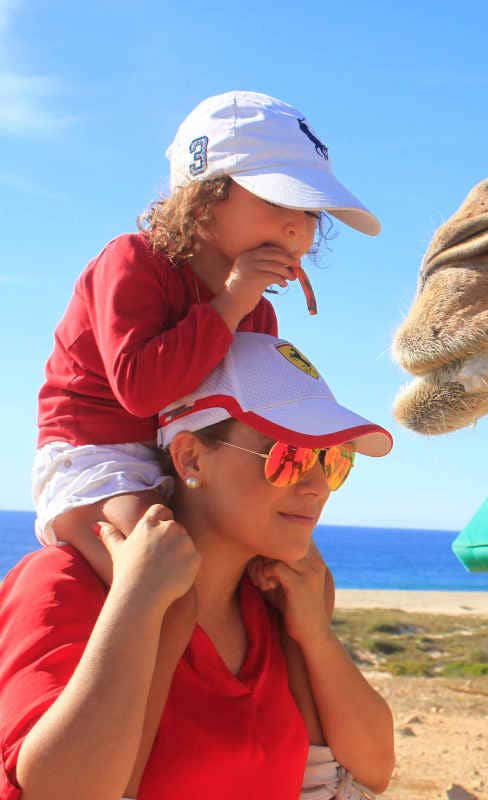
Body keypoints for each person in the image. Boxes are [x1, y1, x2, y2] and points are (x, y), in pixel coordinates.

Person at [0, 333, 396, 800]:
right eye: (288, 457)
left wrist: (315, 635)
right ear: (190, 457)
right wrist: (138, 605)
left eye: (333, 461)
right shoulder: (64, 584)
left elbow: (372, 772)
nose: (316, 487)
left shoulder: (272, 603)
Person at [34, 89, 380, 583]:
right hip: (96, 455)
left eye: (310, 211)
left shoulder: (257, 315)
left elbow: (242, 423)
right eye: (280, 198)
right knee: (163, 579)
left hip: (183, 462)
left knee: (300, 577)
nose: (296, 225)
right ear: (203, 202)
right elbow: (140, 391)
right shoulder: (133, 261)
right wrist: (231, 304)